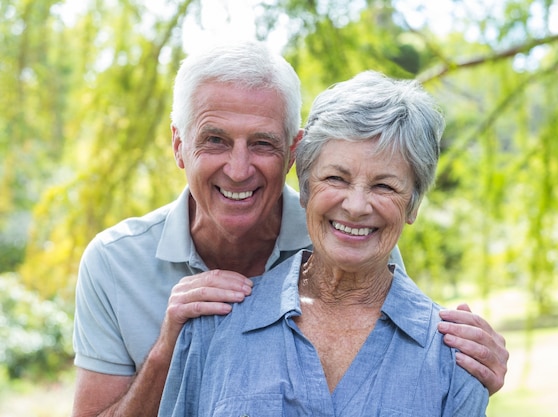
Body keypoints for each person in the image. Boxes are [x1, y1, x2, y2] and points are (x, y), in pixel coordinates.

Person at [71, 41, 507, 417]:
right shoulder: (116, 263)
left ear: (293, 155)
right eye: (215, 140)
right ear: (179, 145)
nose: (238, 170)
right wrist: (168, 346)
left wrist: (471, 362)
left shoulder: (354, 239)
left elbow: (397, 349)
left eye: (262, 143)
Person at [158, 70, 489, 416]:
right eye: (336, 178)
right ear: (305, 189)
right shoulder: (211, 327)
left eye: (384, 186)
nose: (357, 206)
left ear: (413, 204)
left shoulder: (457, 358)